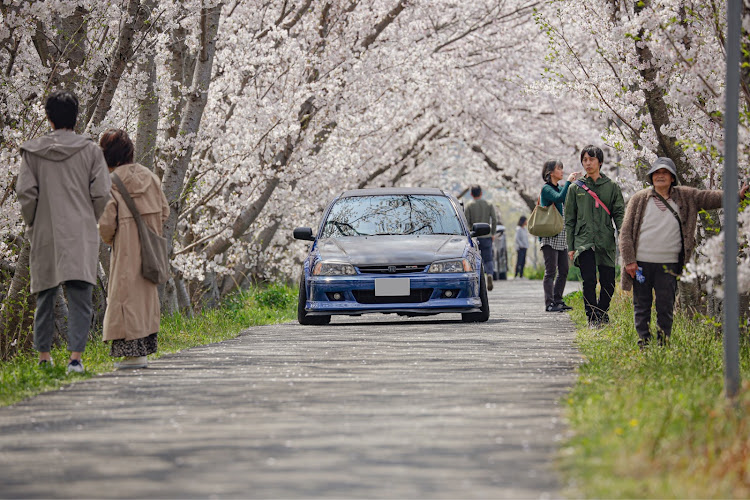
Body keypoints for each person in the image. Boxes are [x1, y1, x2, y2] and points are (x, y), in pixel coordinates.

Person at [15, 90, 111, 373]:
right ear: (76, 116)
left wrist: (34, 222)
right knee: (80, 296)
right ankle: (75, 359)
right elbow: (102, 193)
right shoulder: (91, 151)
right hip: (80, 232)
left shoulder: (32, 152)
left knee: (45, 295)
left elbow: (26, 193)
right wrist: (87, 218)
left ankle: (44, 357)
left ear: (48, 117)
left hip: (45, 231)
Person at [620, 157, 749, 348]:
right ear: (651, 177)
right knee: (641, 305)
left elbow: (710, 197)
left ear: (672, 177)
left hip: (669, 265)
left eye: (664, 173)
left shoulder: (686, 196)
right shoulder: (639, 199)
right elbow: (625, 232)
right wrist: (629, 260)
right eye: (656, 173)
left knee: (665, 306)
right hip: (640, 266)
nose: (660, 176)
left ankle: (663, 344)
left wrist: (737, 195)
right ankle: (644, 343)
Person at [98, 129, 169, 369]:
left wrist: (112, 240)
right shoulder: (150, 177)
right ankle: (143, 350)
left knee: (124, 298)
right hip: (150, 250)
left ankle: (131, 354)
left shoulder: (110, 182)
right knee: (145, 298)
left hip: (125, 249)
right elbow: (165, 212)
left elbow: (106, 223)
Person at [565, 145, 625, 327]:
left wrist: (623, 238)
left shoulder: (611, 187)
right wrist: (571, 246)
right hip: (583, 241)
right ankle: (592, 318)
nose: (588, 163)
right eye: (584, 160)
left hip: (605, 239)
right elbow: (569, 219)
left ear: (600, 161)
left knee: (608, 281)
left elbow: (620, 214)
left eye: (591, 159)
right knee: (589, 281)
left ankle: (601, 312)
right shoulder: (575, 189)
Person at [539, 160, 580, 312]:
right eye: (559, 168)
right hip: (549, 235)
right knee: (551, 271)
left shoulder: (560, 187)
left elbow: (567, 197)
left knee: (564, 270)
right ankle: (549, 303)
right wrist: (569, 182)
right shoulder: (546, 189)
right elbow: (559, 198)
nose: (562, 171)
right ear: (550, 172)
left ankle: (558, 300)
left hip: (561, 234)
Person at [464, 185, 497, 291]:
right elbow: (494, 219)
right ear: (481, 193)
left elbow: (466, 221)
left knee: (475, 259)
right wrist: (492, 233)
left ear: (471, 194)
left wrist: (469, 232)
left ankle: (478, 278)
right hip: (487, 236)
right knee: (488, 258)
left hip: (474, 237)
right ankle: (490, 274)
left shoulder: (469, 205)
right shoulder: (488, 204)